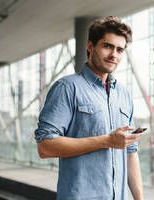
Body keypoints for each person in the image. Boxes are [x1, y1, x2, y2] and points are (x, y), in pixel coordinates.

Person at [34, 16, 144, 200]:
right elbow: (45, 146)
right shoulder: (67, 88)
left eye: (120, 49)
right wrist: (107, 141)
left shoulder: (123, 94)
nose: (114, 55)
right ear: (90, 46)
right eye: (107, 46)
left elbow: (130, 153)